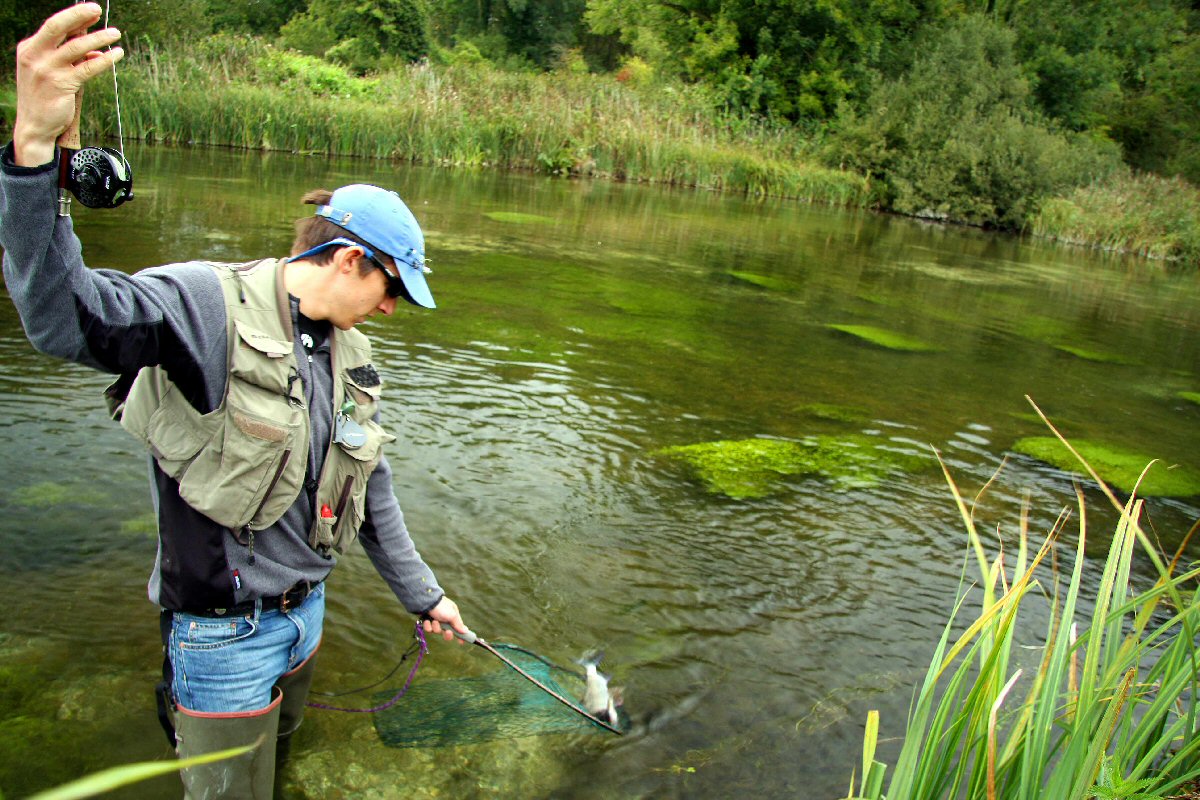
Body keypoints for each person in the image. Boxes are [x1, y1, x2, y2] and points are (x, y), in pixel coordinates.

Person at [1, 5, 471, 798]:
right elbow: (59, 319)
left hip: (307, 620)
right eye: (393, 289)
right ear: (350, 258)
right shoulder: (201, 306)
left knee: (276, 775)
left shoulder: (352, 351)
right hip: (224, 640)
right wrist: (34, 155)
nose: (393, 309)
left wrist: (427, 595)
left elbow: (372, 488)